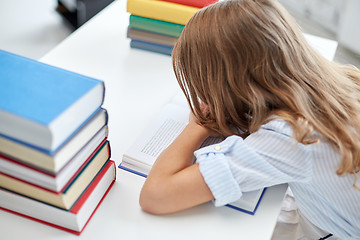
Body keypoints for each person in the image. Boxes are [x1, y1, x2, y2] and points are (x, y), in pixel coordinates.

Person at [139, 0, 360, 239]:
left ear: (230, 85)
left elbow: (155, 195)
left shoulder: (291, 136)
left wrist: (197, 125)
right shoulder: (344, 78)